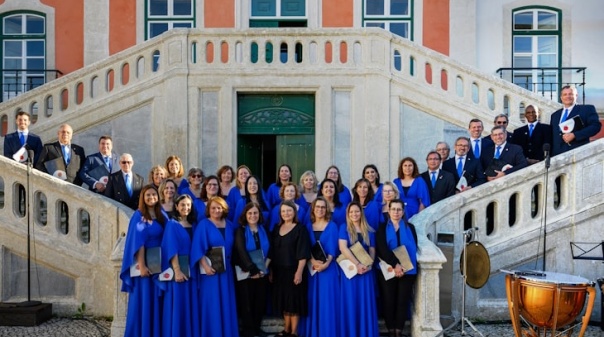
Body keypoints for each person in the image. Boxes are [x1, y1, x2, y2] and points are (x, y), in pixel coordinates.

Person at [119, 185, 167, 337]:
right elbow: (138, 243)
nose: (151, 197)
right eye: (148, 195)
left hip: (159, 263)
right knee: (144, 301)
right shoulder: (138, 216)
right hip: (145, 265)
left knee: (157, 302)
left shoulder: (161, 214)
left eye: (154, 194)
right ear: (142, 198)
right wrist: (142, 265)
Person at [190, 196, 239, 337]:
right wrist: (205, 266)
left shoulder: (229, 225)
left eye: (219, 208)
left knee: (226, 303)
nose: (216, 210)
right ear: (208, 210)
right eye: (213, 208)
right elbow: (197, 248)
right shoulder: (204, 224)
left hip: (227, 271)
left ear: (224, 209)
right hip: (210, 272)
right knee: (212, 304)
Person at [376, 199, 418, 337]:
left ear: (403, 211)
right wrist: (396, 265)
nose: (396, 212)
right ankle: (390, 330)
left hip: (408, 270)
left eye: (399, 209)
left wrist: (403, 266)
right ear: (388, 211)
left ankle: (398, 331)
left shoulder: (410, 227)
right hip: (388, 269)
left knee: (402, 301)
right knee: (389, 300)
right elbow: (382, 249)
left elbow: (414, 247)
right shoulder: (382, 228)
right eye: (393, 209)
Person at [269, 200, 310, 337]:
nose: (286, 213)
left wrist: (299, 272)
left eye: (289, 211)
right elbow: (272, 252)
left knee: (294, 301)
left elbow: (303, 253)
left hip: (294, 270)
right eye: (283, 211)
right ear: (280, 213)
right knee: (285, 301)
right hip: (279, 271)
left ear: (294, 212)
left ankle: (294, 332)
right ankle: (286, 329)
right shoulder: (276, 229)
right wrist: (271, 271)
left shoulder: (300, 229)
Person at [300, 197, 340, 337]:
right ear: (313, 209)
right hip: (311, 269)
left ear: (327, 209)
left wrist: (326, 263)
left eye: (323, 207)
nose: (320, 210)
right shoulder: (307, 226)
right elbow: (304, 247)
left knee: (327, 302)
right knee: (311, 301)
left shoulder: (333, 226)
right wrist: (312, 260)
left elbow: (333, 249)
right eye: (317, 207)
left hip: (328, 270)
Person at [338, 202, 379, 337]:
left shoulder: (370, 230)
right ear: (348, 214)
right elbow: (343, 248)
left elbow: (372, 250)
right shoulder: (344, 228)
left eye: (356, 211)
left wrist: (370, 265)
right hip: (350, 272)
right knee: (350, 303)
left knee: (364, 304)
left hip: (366, 273)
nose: (354, 214)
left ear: (361, 213)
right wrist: (357, 264)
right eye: (351, 212)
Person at [161, 194, 197, 337]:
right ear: (176, 206)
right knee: (178, 305)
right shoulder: (172, 224)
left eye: (188, 205)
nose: (186, 208)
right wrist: (177, 271)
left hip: (191, 270)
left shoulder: (193, 225)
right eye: (182, 205)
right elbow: (171, 248)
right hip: (179, 271)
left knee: (190, 304)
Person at [232, 202, 271, 337]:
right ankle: (249, 331)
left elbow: (270, 250)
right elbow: (241, 251)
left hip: (263, 273)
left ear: (259, 214)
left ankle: (256, 327)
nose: (253, 215)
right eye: (250, 213)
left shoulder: (264, 230)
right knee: (246, 303)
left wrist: (264, 268)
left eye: (255, 213)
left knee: (260, 301)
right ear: (245, 215)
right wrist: (253, 270)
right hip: (246, 272)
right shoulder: (240, 231)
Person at [550, 85, 601, 156]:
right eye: (565, 94)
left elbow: (595, 126)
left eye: (570, 94)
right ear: (561, 97)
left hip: (578, 154)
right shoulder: (555, 115)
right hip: (557, 157)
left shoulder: (587, 109)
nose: (568, 96)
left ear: (576, 96)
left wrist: (575, 135)